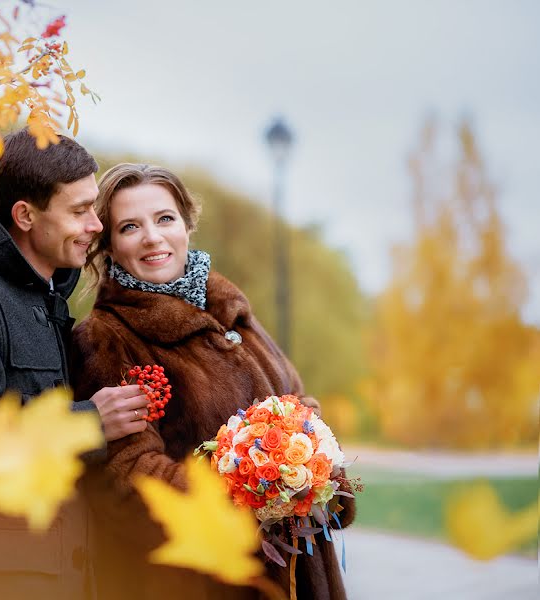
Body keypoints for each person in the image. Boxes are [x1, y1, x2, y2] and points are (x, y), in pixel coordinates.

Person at [71, 163, 356, 600]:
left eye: (164, 218)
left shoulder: (229, 308)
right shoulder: (106, 339)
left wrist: (311, 469)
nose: (152, 236)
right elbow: (127, 476)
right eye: (130, 226)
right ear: (109, 244)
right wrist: (243, 510)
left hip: (302, 569)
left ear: (187, 224)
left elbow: (297, 399)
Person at [0, 130, 149, 600]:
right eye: (79, 210)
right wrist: (89, 423)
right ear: (25, 215)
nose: (96, 225)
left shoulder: (48, 300)